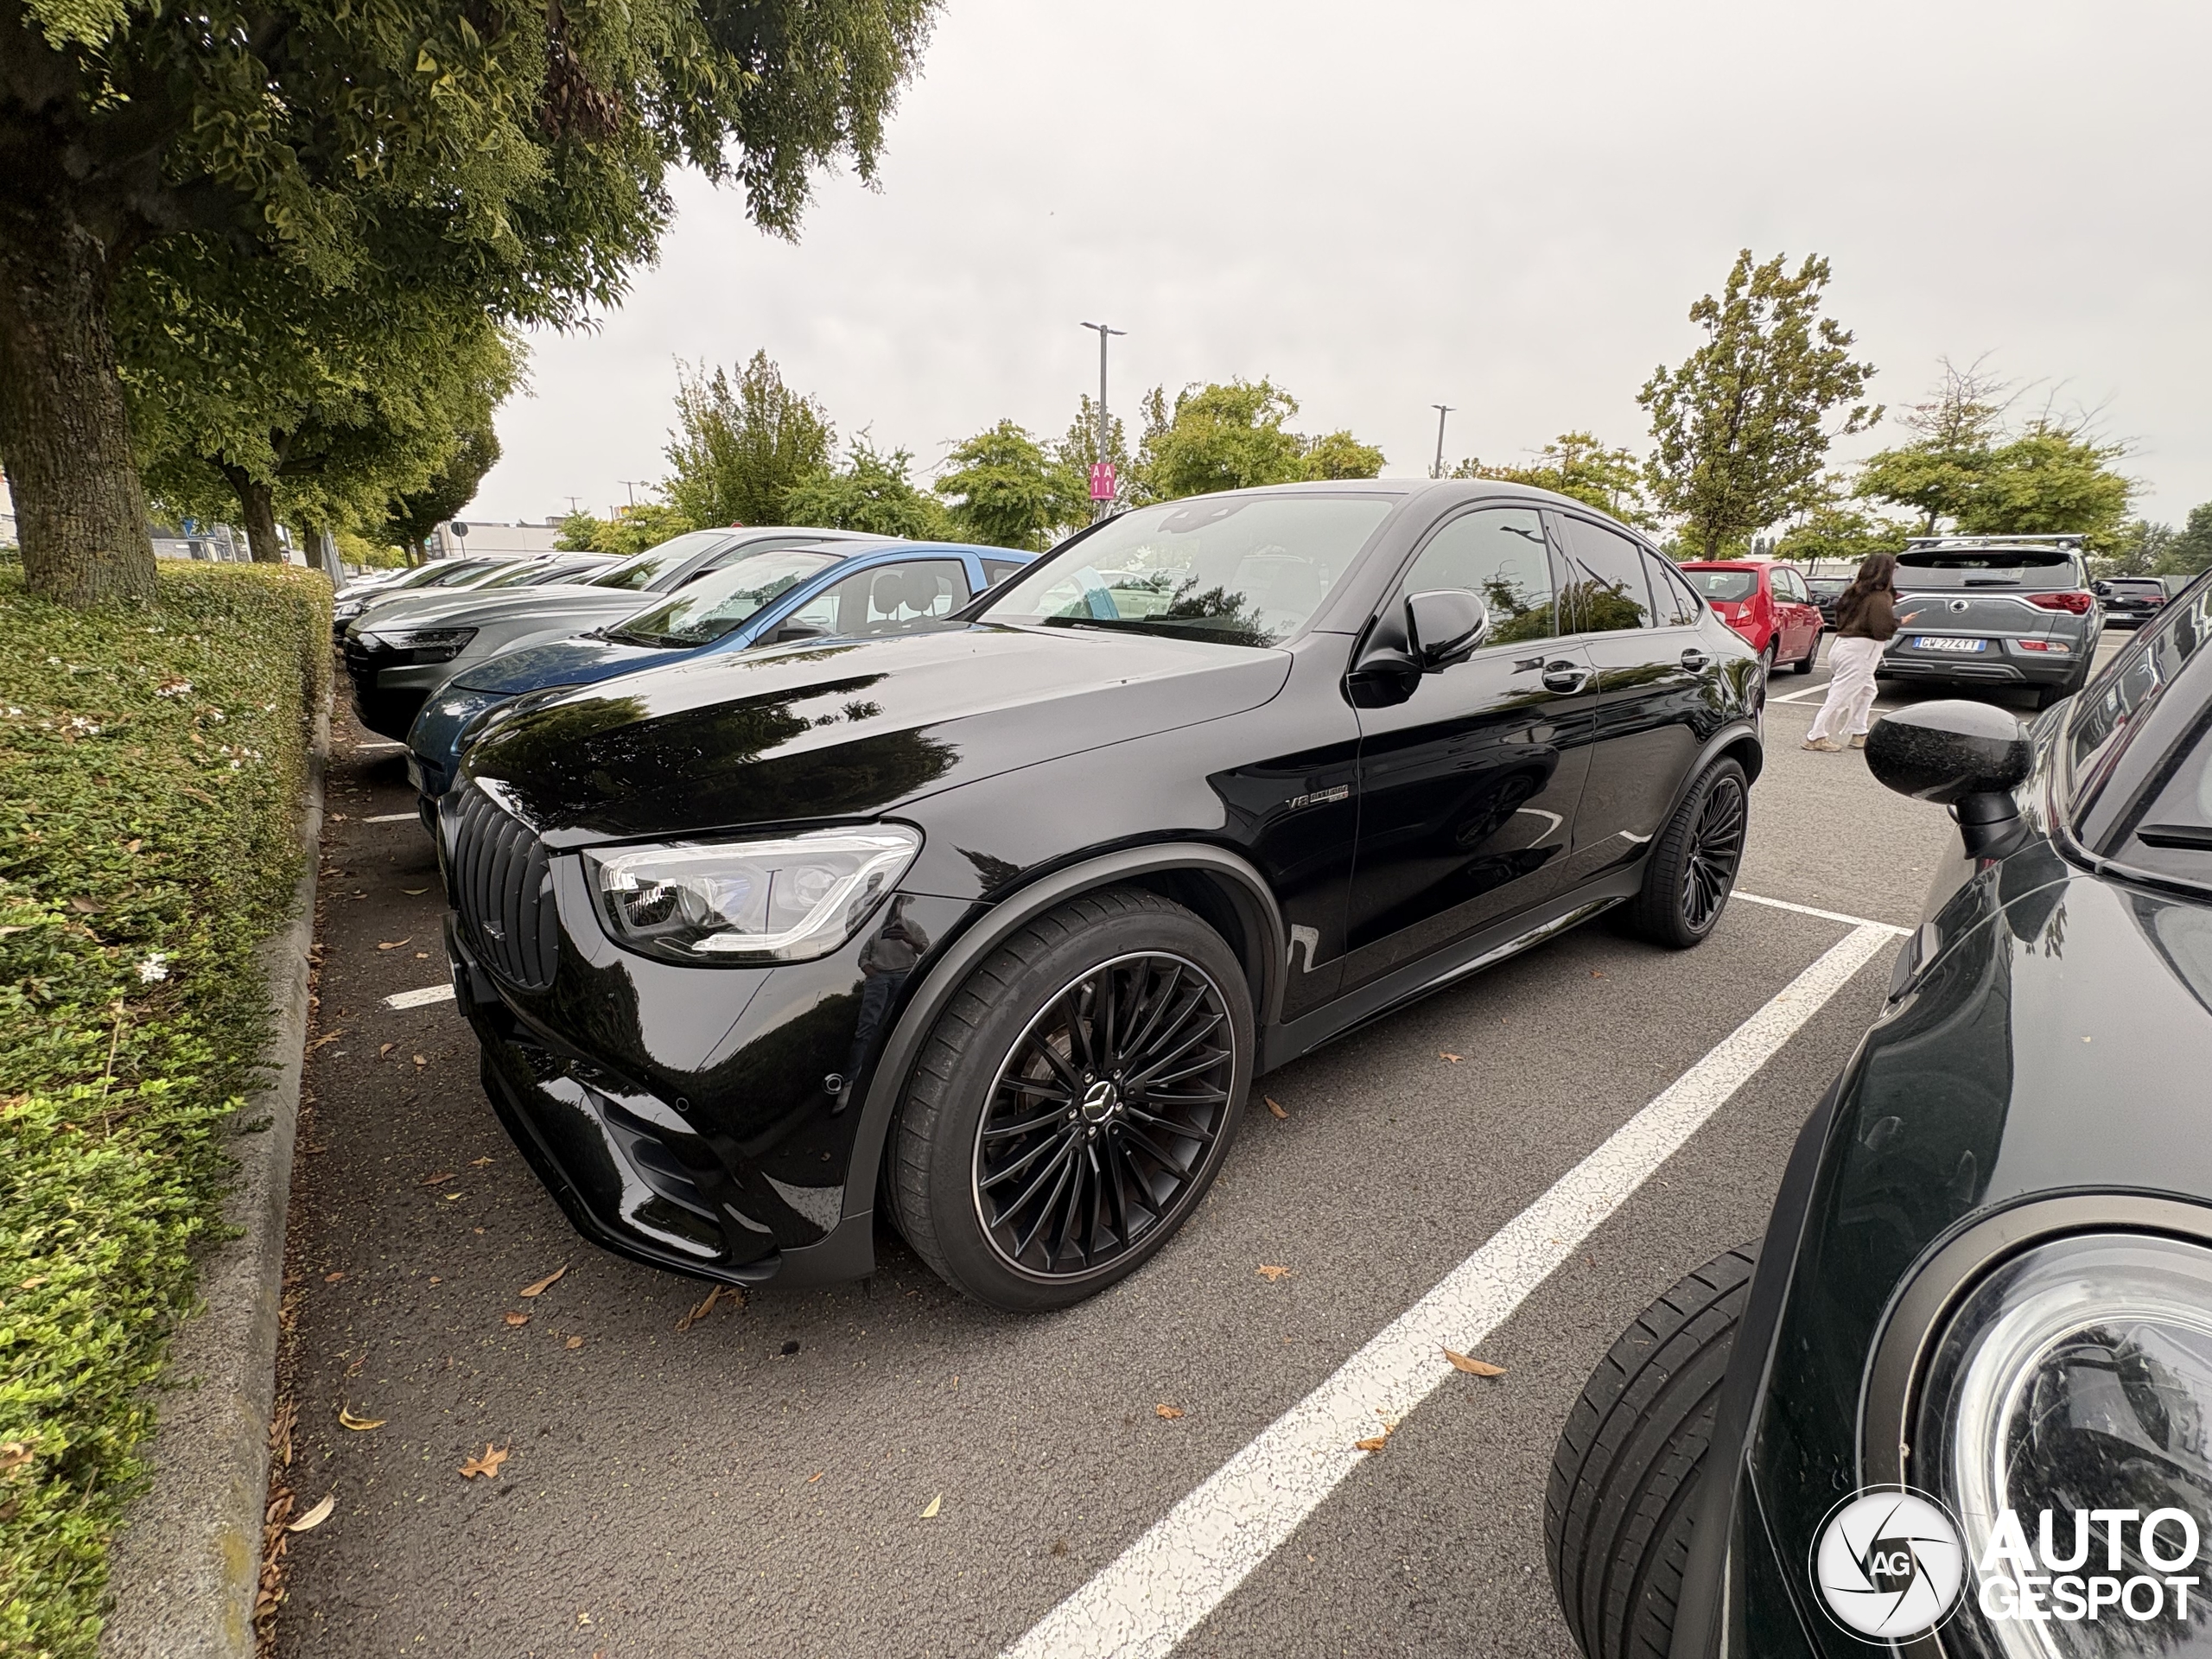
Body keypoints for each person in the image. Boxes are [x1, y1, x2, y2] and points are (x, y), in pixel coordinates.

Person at [1803, 552, 1920, 752]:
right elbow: (1881, 627)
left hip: (1843, 644)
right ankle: (1816, 736)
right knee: (1841, 694)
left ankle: (1858, 732)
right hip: (1862, 649)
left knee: (1866, 690)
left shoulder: (1854, 592)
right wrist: (1899, 622)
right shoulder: (1880, 596)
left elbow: (1840, 616)